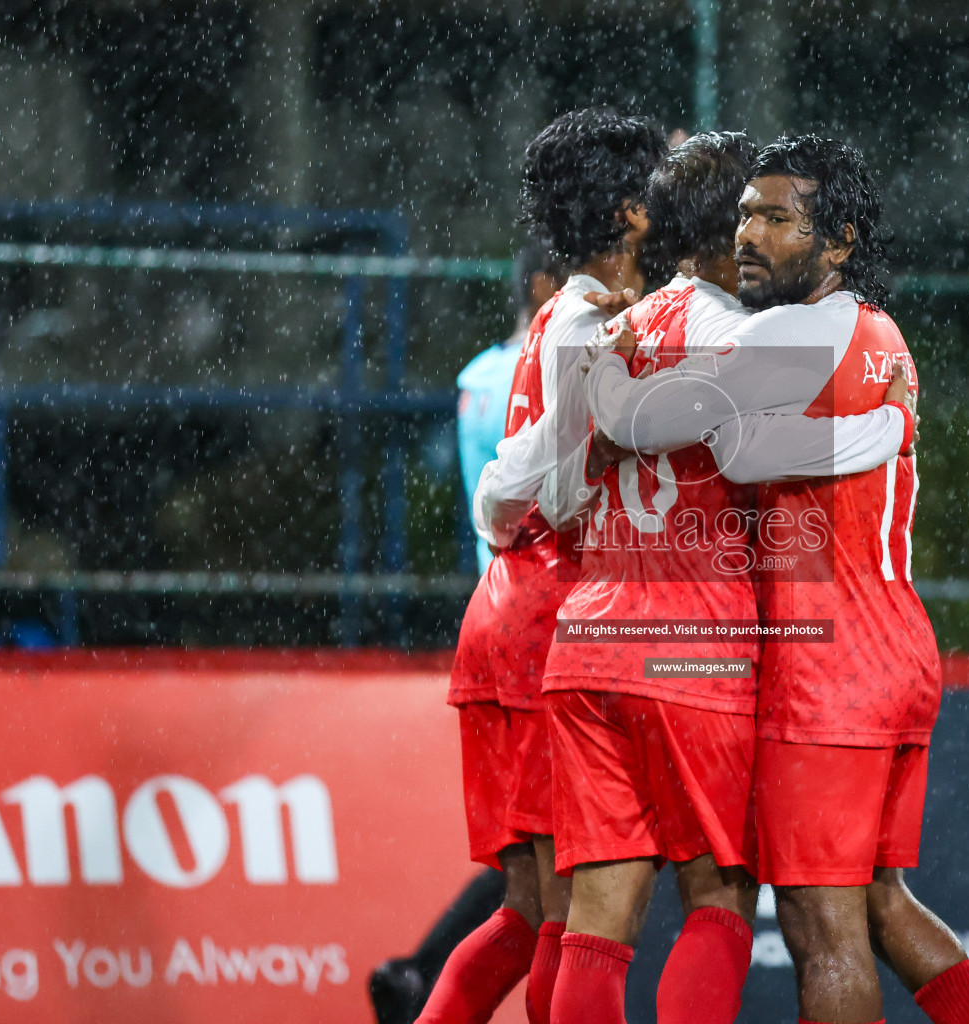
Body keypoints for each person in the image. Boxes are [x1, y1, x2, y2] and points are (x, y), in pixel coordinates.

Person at [582, 136, 969, 1024]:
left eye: (778, 219)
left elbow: (671, 429)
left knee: (820, 929)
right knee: (882, 903)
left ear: (839, 241)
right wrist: (884, 434)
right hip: (898, 644)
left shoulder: (790, 330)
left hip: (829, 663)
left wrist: (612, 362)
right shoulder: (878, 331)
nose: (750, 234)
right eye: (744, 214)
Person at [416, 107, 664, 1024]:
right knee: (576, 911)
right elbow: (546, 488)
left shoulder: (564, 316)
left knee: (531, 913)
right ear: (632, 212)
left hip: (512, 610)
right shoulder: (585, 328)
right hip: (547, 623)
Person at [368, 245, 566, 1024]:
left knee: (529, 874)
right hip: (551, 621)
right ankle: (418, 975)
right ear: (554, 284)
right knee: (566, 882)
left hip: (491, 603)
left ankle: (418, 976)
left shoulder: (476, 377)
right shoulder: (553, 365)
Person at [456, 244, 566, 571]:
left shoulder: (474, 378)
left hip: (490, 574)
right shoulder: (538, 369)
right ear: (543, 285)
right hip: (541, 579)